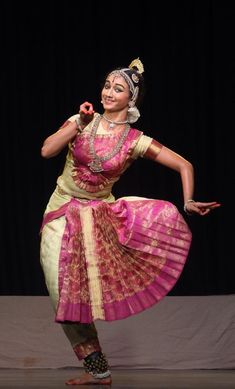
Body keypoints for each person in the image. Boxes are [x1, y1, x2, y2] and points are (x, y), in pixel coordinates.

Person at [40, 58, 220, 385]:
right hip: (62, 210)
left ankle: (99, 371)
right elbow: (47, 150)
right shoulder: (82, 120)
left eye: (118, 88)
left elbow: (184, 165)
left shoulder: (136, 141)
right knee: (60, 291)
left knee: (76, 296)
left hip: (99, 219)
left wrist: (188, 201)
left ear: (131, 99)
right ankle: (96, 366)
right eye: (107, 85)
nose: (109, 92)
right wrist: (77, 124)